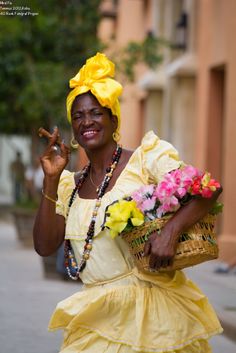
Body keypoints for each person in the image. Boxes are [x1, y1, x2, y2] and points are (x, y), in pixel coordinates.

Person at [33, 53, 223, 353]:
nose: (86, 122)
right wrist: (52, 180)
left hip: (152, 315)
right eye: (78, 116)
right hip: (95, 317)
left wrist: (170, 231)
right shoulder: (70, 184)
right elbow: (45, 246)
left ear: (114, 119)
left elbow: (208, 189)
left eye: (96, 112)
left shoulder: (145, 160)